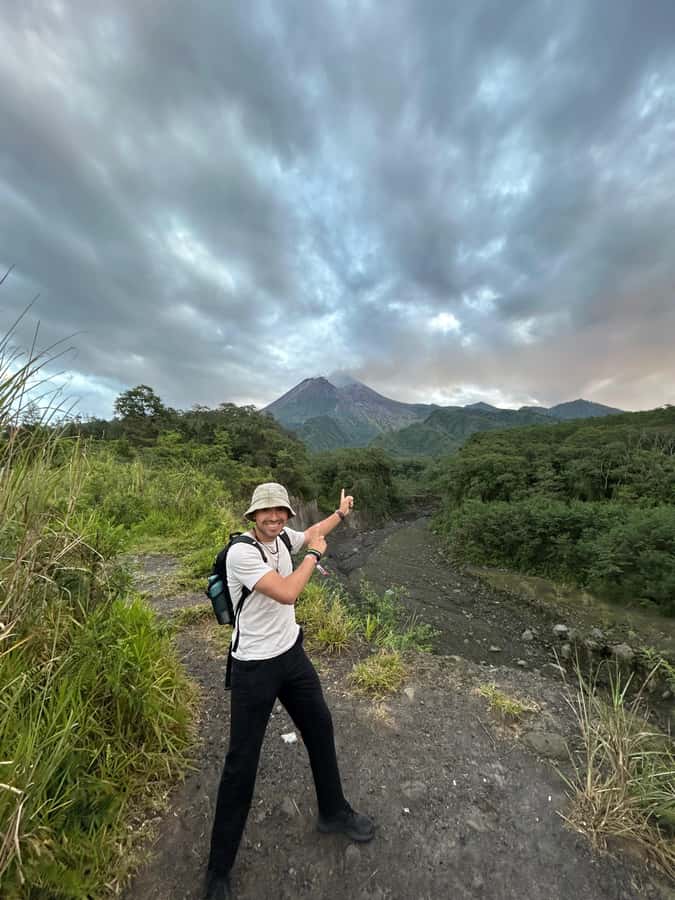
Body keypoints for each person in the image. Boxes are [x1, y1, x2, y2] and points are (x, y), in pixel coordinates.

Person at [205, 482, 375, 899]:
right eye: (266, 513)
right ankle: (217, 872)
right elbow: (287, 592)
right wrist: (315, 555)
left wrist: (340, 515)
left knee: (320, 727)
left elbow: (309, 531)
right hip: (254, 667)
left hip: (291, 656)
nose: (275, 518)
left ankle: (333, 811)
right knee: (241, 763)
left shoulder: (283, 537)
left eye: (280, 512)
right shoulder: (242, 554)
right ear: (252, 516)